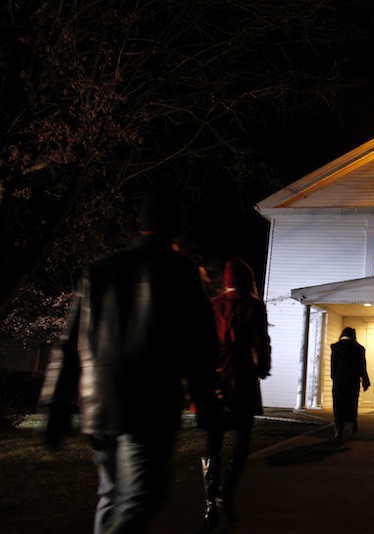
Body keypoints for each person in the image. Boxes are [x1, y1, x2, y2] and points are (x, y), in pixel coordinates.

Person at [39, 193, 221, 534]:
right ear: (175, 228)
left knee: (111, 495)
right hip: (149, 404)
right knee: (142, 496)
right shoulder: (180, 272)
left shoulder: (100, 270)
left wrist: (57, 406)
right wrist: (206, 402)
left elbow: (69, 346)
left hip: (100, 405)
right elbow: (199, 345)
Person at [202, 258, 272, 530]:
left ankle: (209, 503)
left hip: (215, 374)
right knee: (242, 440)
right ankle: (225, 492)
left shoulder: (213, 305)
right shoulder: (254, 305)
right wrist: (263, 367)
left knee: (213, 441)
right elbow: (262, 340)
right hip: (241, 373)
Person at [330, 327, 371, 439]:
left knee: (338, 403)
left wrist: (334, 377)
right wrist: (365, 380)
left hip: (339, 380)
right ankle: (352, 423)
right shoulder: (358, 349)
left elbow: (333, 366)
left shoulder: (335, 347)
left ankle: (338, 427)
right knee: (352, 403)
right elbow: (362, 366)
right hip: (353, 380)